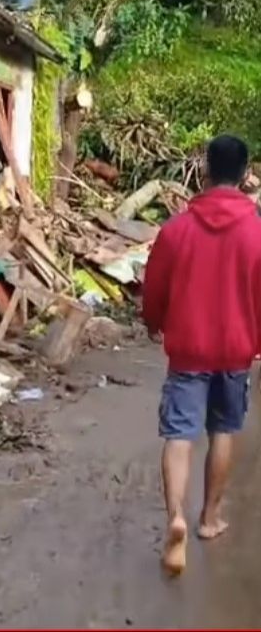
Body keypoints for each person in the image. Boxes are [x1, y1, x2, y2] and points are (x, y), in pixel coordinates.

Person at [143, 135, 261, 576]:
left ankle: (175, 517)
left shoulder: (176, 230)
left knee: (179, 434)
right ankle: (209, 519)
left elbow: (155, 289)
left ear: (207, 171)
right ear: (246, 174)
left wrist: (154, 322)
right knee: (224, 431)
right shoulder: (258, 231)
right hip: (236, 350)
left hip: (188, 348)